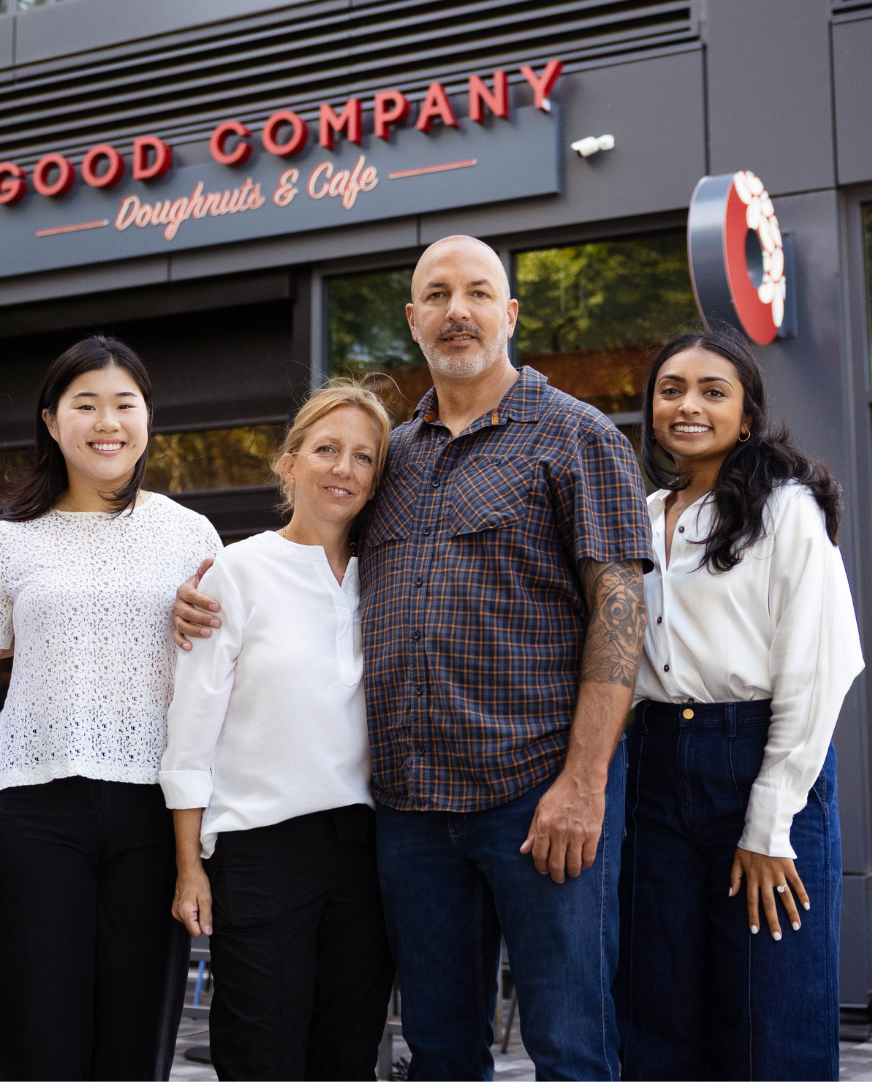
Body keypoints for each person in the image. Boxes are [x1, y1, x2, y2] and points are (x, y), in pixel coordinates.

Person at [177, 235, 652, 1080]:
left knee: (571, 1044)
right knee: (437, 1048)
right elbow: (306, 565)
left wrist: (584, 783)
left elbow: (620, 615)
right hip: (409, 815)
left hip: (535, 798)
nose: (456, 310)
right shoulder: (391, 458)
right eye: (436, 294)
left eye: (477, 292)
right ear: (413, 319)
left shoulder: (579, 437)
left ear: (510, 313)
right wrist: (196, 594)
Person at [0, 335, 223, 1081]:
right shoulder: (8, 543)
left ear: (148, 419)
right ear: (52, 421)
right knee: (37, 1039)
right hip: (31, 811)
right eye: (86, 404)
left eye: (124, 404)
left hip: (155, 816)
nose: (106, 421)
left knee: (135, 1043)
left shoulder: (192, 536)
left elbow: (228, 675)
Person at [619, 328, 862, 1080]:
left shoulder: (786, 508)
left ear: (748, 414)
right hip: (652, 768)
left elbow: (819, 668)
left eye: (712, 390)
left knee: (771, 1025)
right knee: (658, 1017)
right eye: (671, 389)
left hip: (756, 762)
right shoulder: (640, 510)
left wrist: (769, 819)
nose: (688, 404)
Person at [161, 380, 397, 1080]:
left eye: (363, 457)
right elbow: (191, 730)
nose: (344, 469)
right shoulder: (236, 571)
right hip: (261, 851)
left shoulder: (387, 573)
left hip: (364, 853)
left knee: (345, 1059)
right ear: (289, 463)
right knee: (260, 1056)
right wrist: (188, 865)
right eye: (327, 449)